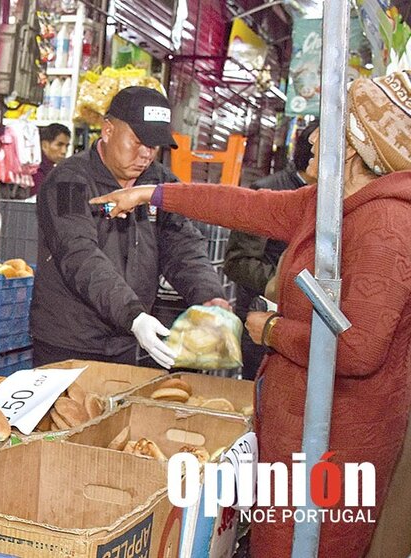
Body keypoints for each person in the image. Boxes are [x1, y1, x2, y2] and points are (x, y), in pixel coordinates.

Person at [90, 70, 411, 557]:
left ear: (351, 146)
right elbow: (246, 205)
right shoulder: (336, 203)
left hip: (335, 445)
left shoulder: (387, 222)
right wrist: (152, 194)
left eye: (326, 127)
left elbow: (359, 349)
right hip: (300, 429)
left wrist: (273, 329)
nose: (312, 139)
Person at [30, 86, 229, 369]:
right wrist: (133, 315)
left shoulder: (159, 183)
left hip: (125, 340)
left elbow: (183, 247)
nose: (147, 154)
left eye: (154, 145)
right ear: (108, 130)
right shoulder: (68, 182)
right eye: (138, 141)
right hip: (69, 339)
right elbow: (78, 253)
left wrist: (210, 297)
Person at [224, 120, 318, 379]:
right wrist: (289, 286)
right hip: (262, 325)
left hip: (304, 330)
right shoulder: (269, 192)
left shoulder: (329, 198)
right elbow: (238, 261)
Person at [32, 123, 71, 190]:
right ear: (44, 145)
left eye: (66, 146)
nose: (64, 151)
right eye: (59, 145)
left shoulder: (51, 170)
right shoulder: (35, 171)